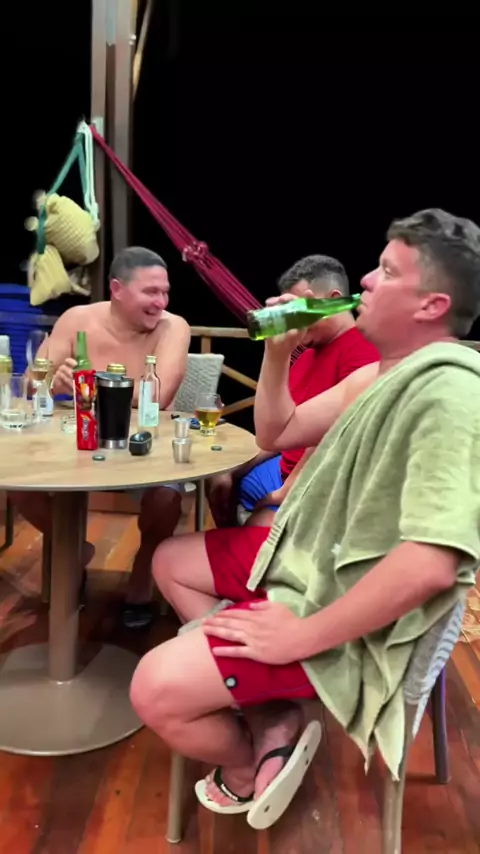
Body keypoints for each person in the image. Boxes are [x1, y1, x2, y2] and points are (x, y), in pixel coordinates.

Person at [129, 209, 480, 830]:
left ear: (432, 305)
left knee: (152, 687)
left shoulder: (450, 393)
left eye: (386, 271)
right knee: (171, 560)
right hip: (311, 564)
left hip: (354, 620)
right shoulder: (381, 375)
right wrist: (276, 353)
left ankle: (246, 764)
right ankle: (271, 714)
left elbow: (433, 563)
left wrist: (301, 636)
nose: (364, 281)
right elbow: (278, 431)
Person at [9, 246, 191, 628]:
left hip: (144, 447)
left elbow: (158, 396)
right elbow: (31, 382)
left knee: (166, 499)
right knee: (19, 487)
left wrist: (88, 383)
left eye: (165, 292)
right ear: (117, 289)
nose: (161, 302)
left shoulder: (174, 327)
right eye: (150, 292)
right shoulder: (77, 319)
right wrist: (53, 383)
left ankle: (143, 569)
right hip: (78, 442)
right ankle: (74, 548)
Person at [207, 255, 379, 528]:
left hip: (316, 484)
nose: (291, 320)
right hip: (281, 468)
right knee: (217, 479)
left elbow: (329, 440)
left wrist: (283, 492)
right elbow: (279, 430)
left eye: (297, 309)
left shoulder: (363, 352)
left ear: (332, 300)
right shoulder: (307, 355)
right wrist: (231, 467)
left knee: (256, 523)